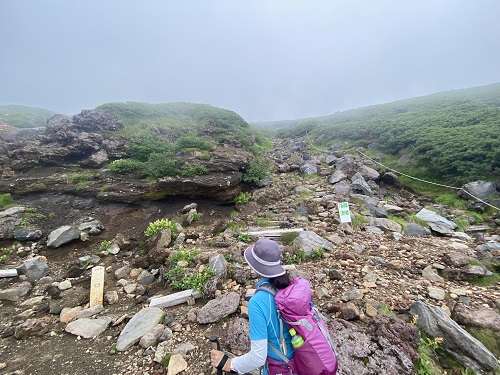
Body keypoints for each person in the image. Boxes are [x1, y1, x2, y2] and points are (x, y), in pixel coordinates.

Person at [210, 238, 296, 375]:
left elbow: (258, 358)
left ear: (254, 266)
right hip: (302, 362)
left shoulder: (258, 302)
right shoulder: (292, 288)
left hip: (280, 368)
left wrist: (229, 363)